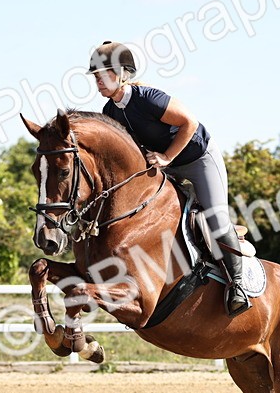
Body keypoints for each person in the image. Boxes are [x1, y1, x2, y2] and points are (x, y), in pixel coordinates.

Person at [87, 40, 251, 317]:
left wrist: (166, 157)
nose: (98, 83)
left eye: (102, 75)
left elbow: (190, 123)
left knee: (216, 218)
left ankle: (238, 285)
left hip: (198, 159)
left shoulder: (147, 98)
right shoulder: (110, 113)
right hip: (165, 166)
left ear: (121, 74)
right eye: (95, 77)